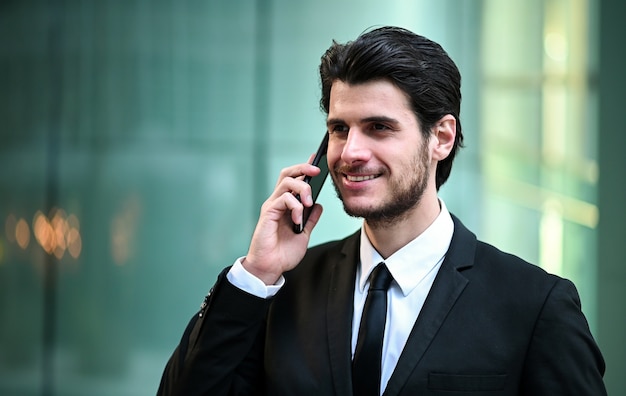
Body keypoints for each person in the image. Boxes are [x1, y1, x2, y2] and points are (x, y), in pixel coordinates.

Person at [157, 26, 606, 395]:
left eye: (378, 128)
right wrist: (256, 274)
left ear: (442, 138)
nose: (351, 151)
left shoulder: (534, 306)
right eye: (339, 129)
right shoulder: (282, 290)